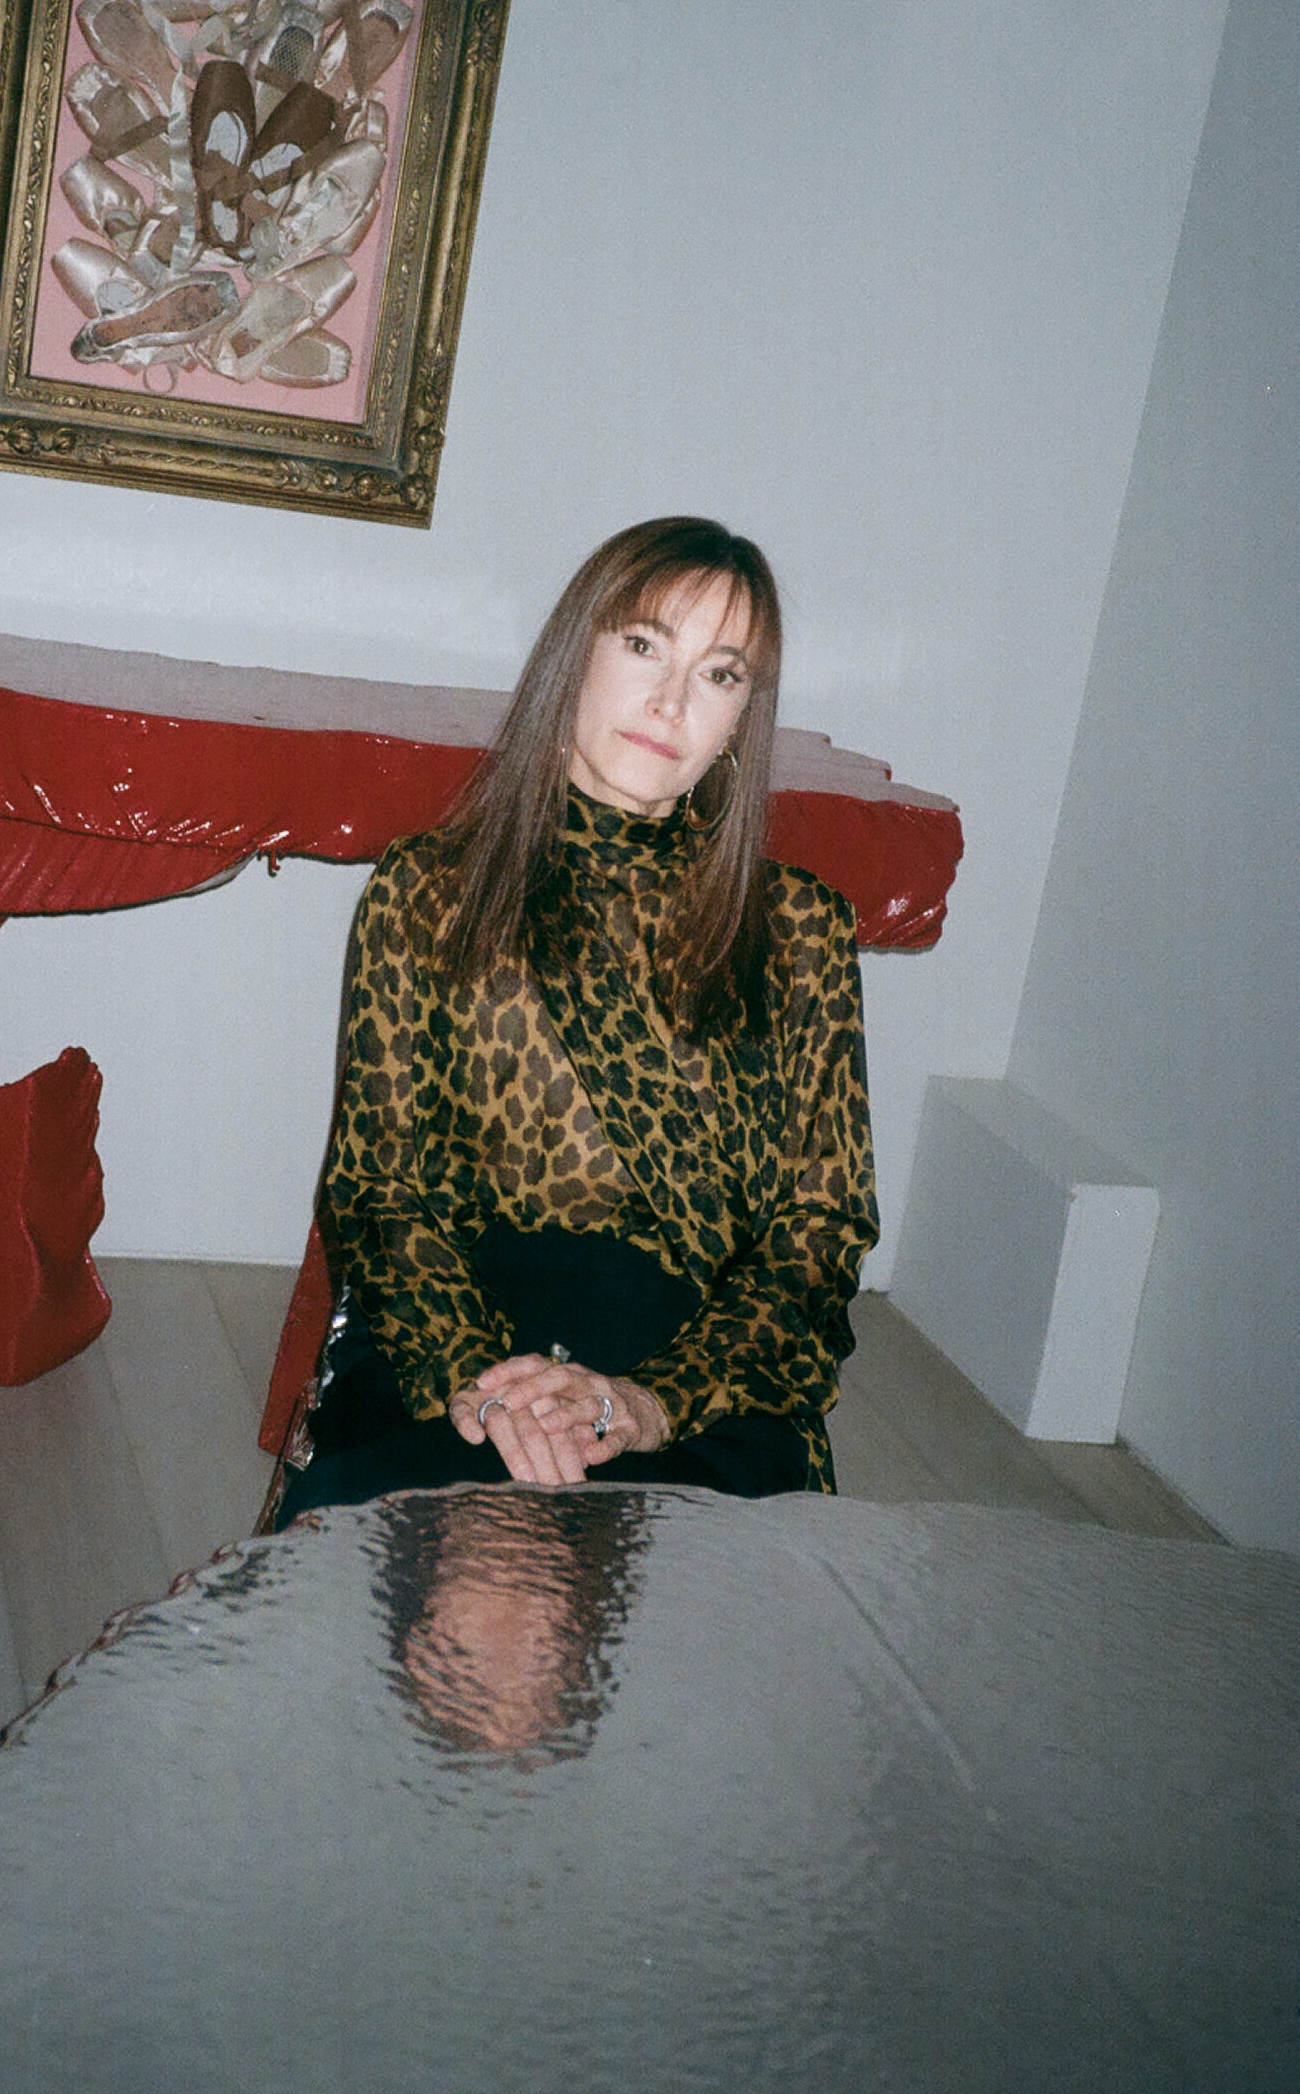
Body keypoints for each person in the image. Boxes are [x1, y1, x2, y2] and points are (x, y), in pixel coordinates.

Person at [278, 516, 877, 1522]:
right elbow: (378, 1192)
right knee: (476, 1574)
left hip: (703, 1380)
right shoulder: (429, 893)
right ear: (575, 657)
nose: (672, 700)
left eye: (719, 674)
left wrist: (649, 1401)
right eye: (644, 644)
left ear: (741, 718)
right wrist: (484, 1386)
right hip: (454, 1352)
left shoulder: (799, 927)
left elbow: (820, 1232)